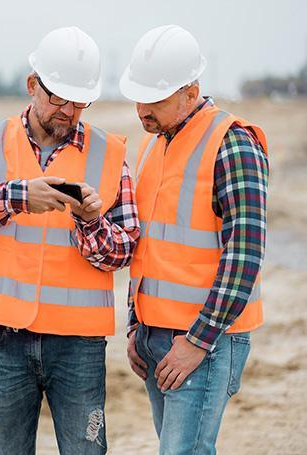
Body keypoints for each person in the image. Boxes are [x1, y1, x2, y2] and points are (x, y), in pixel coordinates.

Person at [0, 26, 139, 454]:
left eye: (79, 101)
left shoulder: (110, 154)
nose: (68, 111)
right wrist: (20, 195)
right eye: (58, 97)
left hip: (78, 345)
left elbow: (125, 248)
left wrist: (90, 222)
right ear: (33, 85)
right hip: (6, 337)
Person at [119, 25, 269, 454]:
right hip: (156, 337)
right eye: (138, 96)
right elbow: (151, 247)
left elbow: (245, 252)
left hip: (204, 339)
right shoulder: (158, 144)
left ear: (191, 91)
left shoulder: (232, 142)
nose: (142, 110)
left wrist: (198, 341)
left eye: (155, 99)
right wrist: (136, 325)